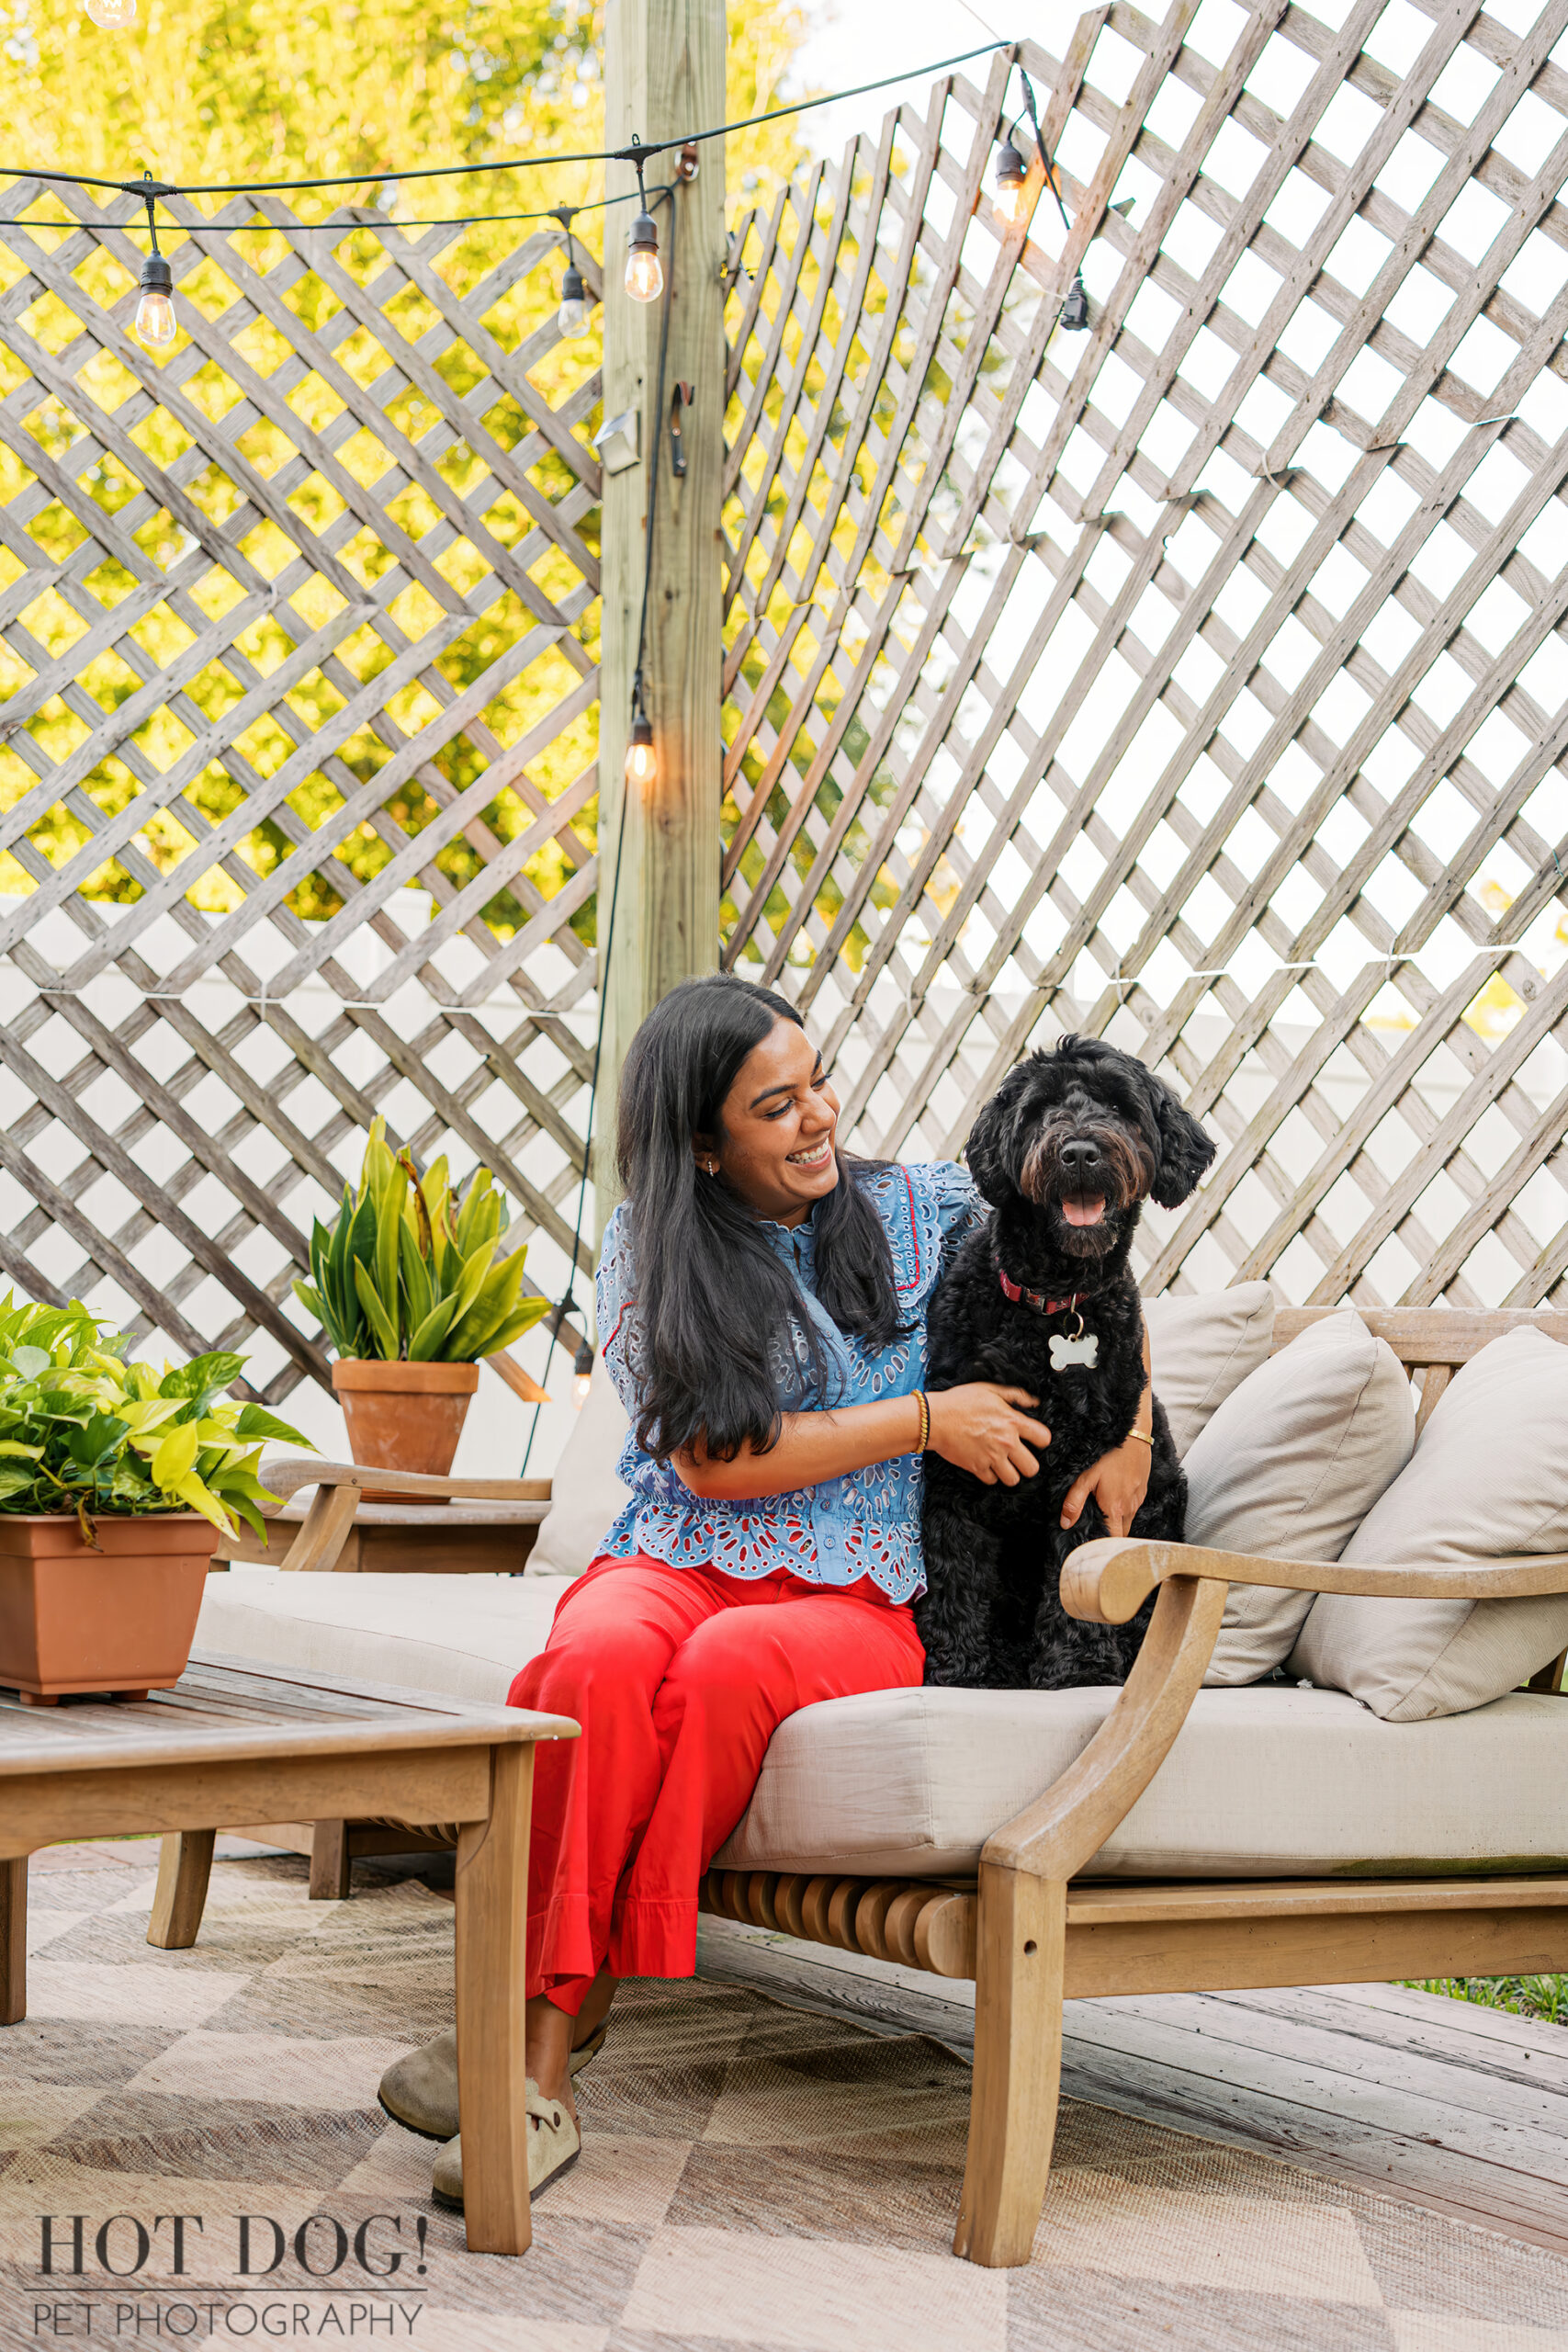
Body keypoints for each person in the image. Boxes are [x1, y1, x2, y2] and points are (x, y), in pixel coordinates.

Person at [378, 974, 1154, 2207]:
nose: (818, 1119)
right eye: (776, 1105)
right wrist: (919, 1419)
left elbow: (1089, 1279)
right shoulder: (653, 1245)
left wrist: (1138, 1435)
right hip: (677, 1554)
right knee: (595, 1664)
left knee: (728, 1673)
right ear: (701, 1143)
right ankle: (543, 2062)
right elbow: (708, 1460)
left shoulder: (927, 1208)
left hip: (863, 1590)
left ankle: (539, 2045)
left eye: (819, 1085)